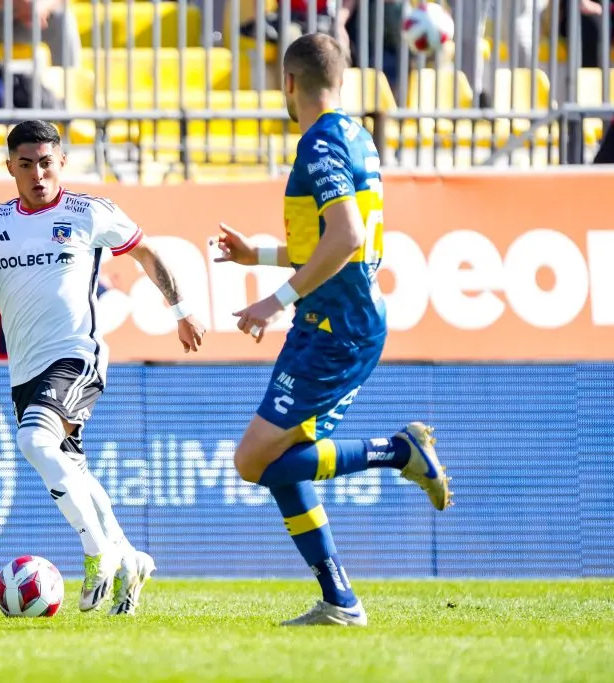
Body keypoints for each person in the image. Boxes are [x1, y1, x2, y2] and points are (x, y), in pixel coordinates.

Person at [213, 33, 452, 627]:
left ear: (288, 84)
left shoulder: (318, 142)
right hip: (327, 320)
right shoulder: (357, 135)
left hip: (336, 326)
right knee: (278, 460)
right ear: (340, 80)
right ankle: (340, 600)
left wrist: (272, 299)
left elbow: (344, 239)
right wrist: (261, 254)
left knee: (252, 461)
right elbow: (334, 240)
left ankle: (399, 451)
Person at [0, 120, 206, 616]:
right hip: (26, 371)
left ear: (61, 162)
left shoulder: (88, 212)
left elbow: (147, 252)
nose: (38, 173)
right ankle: (130, 559)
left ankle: (96, 552)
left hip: (76, 356)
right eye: (26, 165)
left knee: (33, 441)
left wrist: (180, 310)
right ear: (11, 168)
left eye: (46, 162)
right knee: (74, 470)